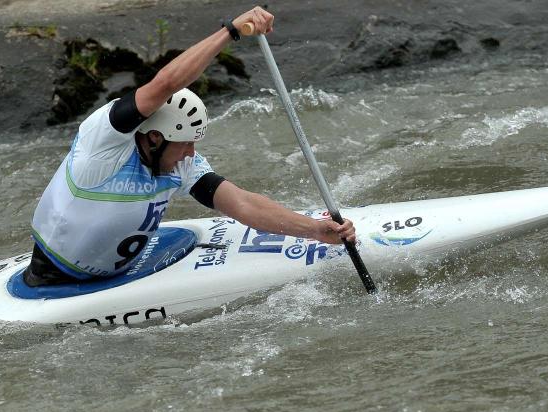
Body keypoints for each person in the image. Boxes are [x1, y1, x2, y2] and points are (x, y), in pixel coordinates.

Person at [23, 6, 356, 286]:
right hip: (54, 278)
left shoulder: (179, 162)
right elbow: (165, 84)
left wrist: (314, 230)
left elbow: (241, 203)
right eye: (184, 145)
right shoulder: (104, 143)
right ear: (154, 137)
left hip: (123, 268)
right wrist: (232, 31)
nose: (191, 155)